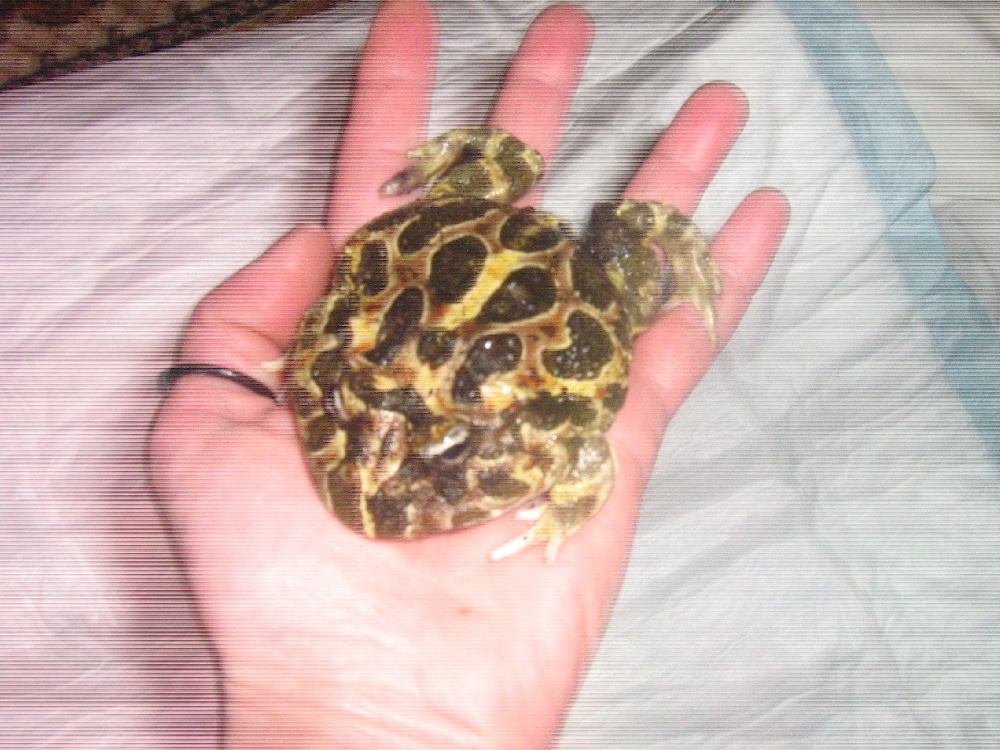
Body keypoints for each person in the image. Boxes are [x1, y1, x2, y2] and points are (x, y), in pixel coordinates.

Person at [150, 0, 789, 746]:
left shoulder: (506, 442)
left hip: (557, 291)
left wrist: (564, 511)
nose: (375, 489)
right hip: (448, 261)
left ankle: (641, 223)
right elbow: (338, 320)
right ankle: (573, 204)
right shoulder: (370, 390)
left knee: (618, 266)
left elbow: (587, 456)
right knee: (532, 197)